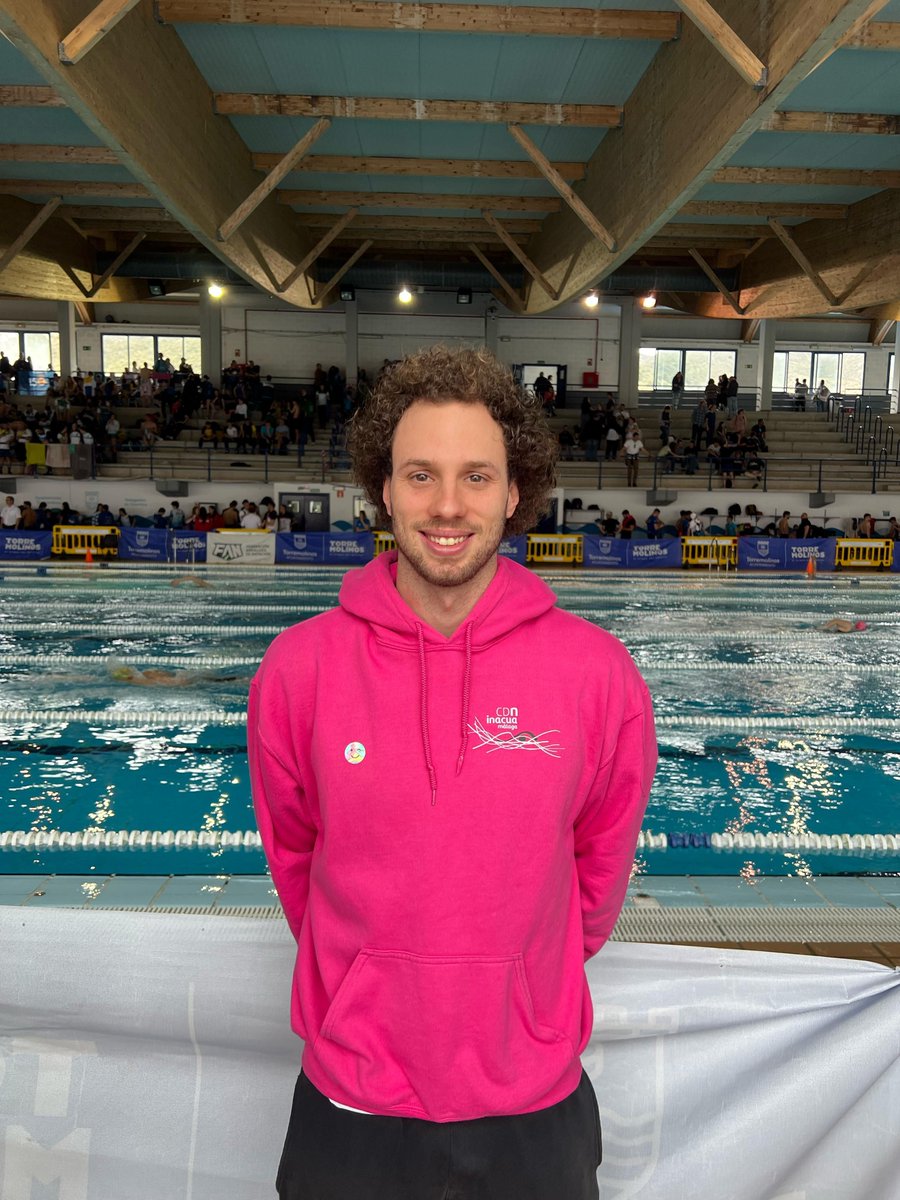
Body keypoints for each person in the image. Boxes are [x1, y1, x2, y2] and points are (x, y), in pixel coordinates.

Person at [248, 346, 656, 1200]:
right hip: (352, 1100)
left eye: (476, 477)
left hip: (530, 1100)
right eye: (420, 475)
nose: (446, 505)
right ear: (385, 490)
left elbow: (598, 873)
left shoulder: (596, 673)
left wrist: (517, 983)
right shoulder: (300, 669)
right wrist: (371, 978)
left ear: (515, 495)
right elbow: (298, 863)